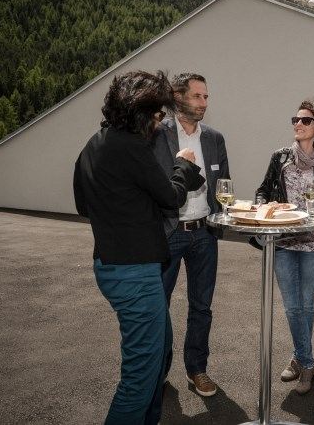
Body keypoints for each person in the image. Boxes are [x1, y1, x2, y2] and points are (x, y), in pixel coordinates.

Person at [73, 70, 205, 424]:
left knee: (156, 354)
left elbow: (84, 205)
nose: (160, 123)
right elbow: (171, 197)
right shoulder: (131, 147)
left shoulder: (93, 144)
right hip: (134, 273)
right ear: (142, 112)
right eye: (158, 115)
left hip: (112, 266)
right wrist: (183, 165)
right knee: (140, 377)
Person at [255, 100, 314, 394]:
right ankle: (307, 362)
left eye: (305, 120)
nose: (298, 124)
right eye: (295, 119)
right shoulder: (280, 157)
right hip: (283, 241)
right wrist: (265, 208)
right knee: (292, 305)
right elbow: (262, 191)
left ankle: (299, 358)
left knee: (305, 304)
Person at [151, 73, 229, 397]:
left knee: (202, 307)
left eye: (206, 97)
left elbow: (224, 184)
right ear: (178, 97)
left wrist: (225, 216)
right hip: (168, 233)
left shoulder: (214, 138)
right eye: (197, 96)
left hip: (204, 233)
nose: (204, 103)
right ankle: (157, 371)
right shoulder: (157, 134)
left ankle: (197, 369)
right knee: (159, 307)